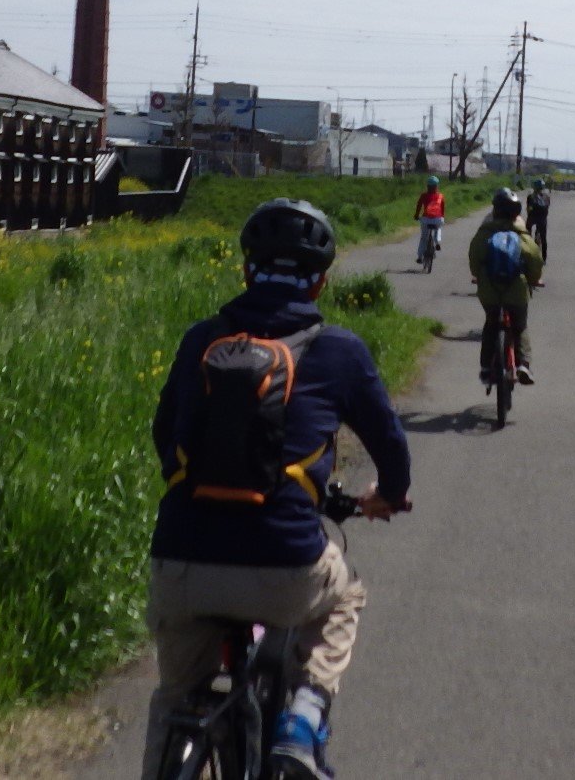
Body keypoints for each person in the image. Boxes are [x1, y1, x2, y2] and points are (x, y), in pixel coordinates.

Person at [143, 198, 412, 780]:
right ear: (319, 282)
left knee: (173, 696)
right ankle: (303, 715)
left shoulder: (200, 340)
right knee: (345, 593)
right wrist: (387, 493)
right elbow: (390, 445)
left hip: (180, 562)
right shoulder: (339, 349)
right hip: (285, 568)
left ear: (246, 270)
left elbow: (165, 433)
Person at [468, 187, 544, 387]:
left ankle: (486, 368)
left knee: (491, 325)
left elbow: (474, 257)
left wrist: (477, 275)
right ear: (516, 212)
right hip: (516, 289)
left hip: (489, 289)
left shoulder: (485, 232)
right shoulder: (521, 234)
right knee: (520, 326)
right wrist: (534, 279)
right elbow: (535, 260)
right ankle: (524, 365)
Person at [413, 174, 445, 264]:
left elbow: (419, 206)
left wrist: (416, 215)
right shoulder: (440, 196)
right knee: (438, 229)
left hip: (426, 219)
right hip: (437, 219)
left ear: (427, 186)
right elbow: (442, 210)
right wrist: (442, 217)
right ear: (436, 186)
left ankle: (419, 257)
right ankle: (437, 242)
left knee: (424, 238)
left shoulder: (423, 195)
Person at [525, 178, 551, 260]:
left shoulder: (530, 196)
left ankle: (527, 253)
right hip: (542, 219)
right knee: (543, 238)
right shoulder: (547, 197)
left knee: (526, 234)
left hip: (532, 218)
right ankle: (544, 258)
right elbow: (547, 207)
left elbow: (528, 209)